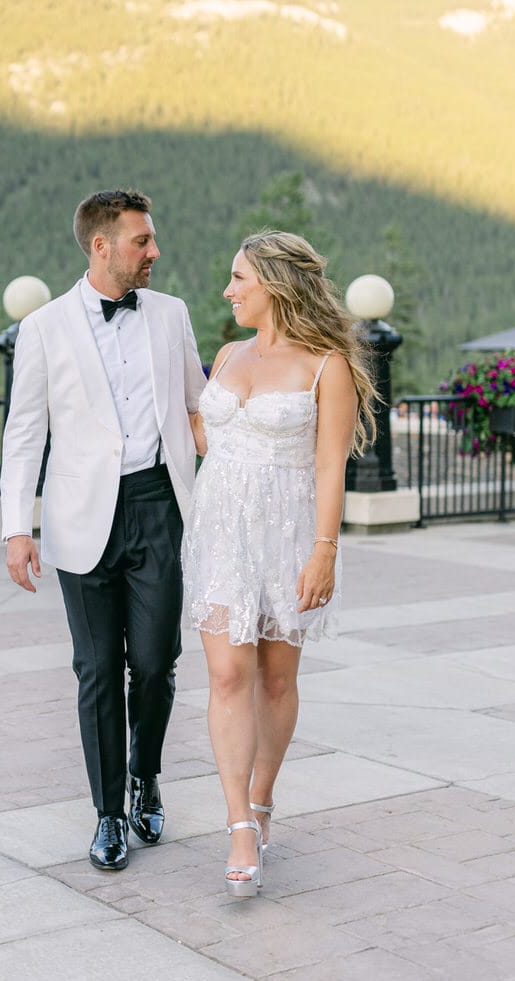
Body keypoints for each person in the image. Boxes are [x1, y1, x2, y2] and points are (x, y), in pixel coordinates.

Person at [1, 189, 207, 871]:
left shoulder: (172, 315)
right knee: (96, 670)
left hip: (158, 507)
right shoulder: (44, 328)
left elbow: (197, 406)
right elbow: (25, 432)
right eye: (142, 241)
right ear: (102, 245)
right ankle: (108, 813)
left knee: (155, 662)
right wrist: (16, 527)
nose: (154, 251)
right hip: (79, 518)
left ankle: (147, 773)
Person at [182, 230, 377, 897]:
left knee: (271, 681)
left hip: (289, 536)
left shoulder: (327, 365)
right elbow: (209, 436)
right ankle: (238, 822)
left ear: (274, 283)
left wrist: (325, 551)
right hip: (218, 535)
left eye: (239, 278)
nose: (228, 291)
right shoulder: (228, 353)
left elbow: (329, 467)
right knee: (227, 673)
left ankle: (262, 796)